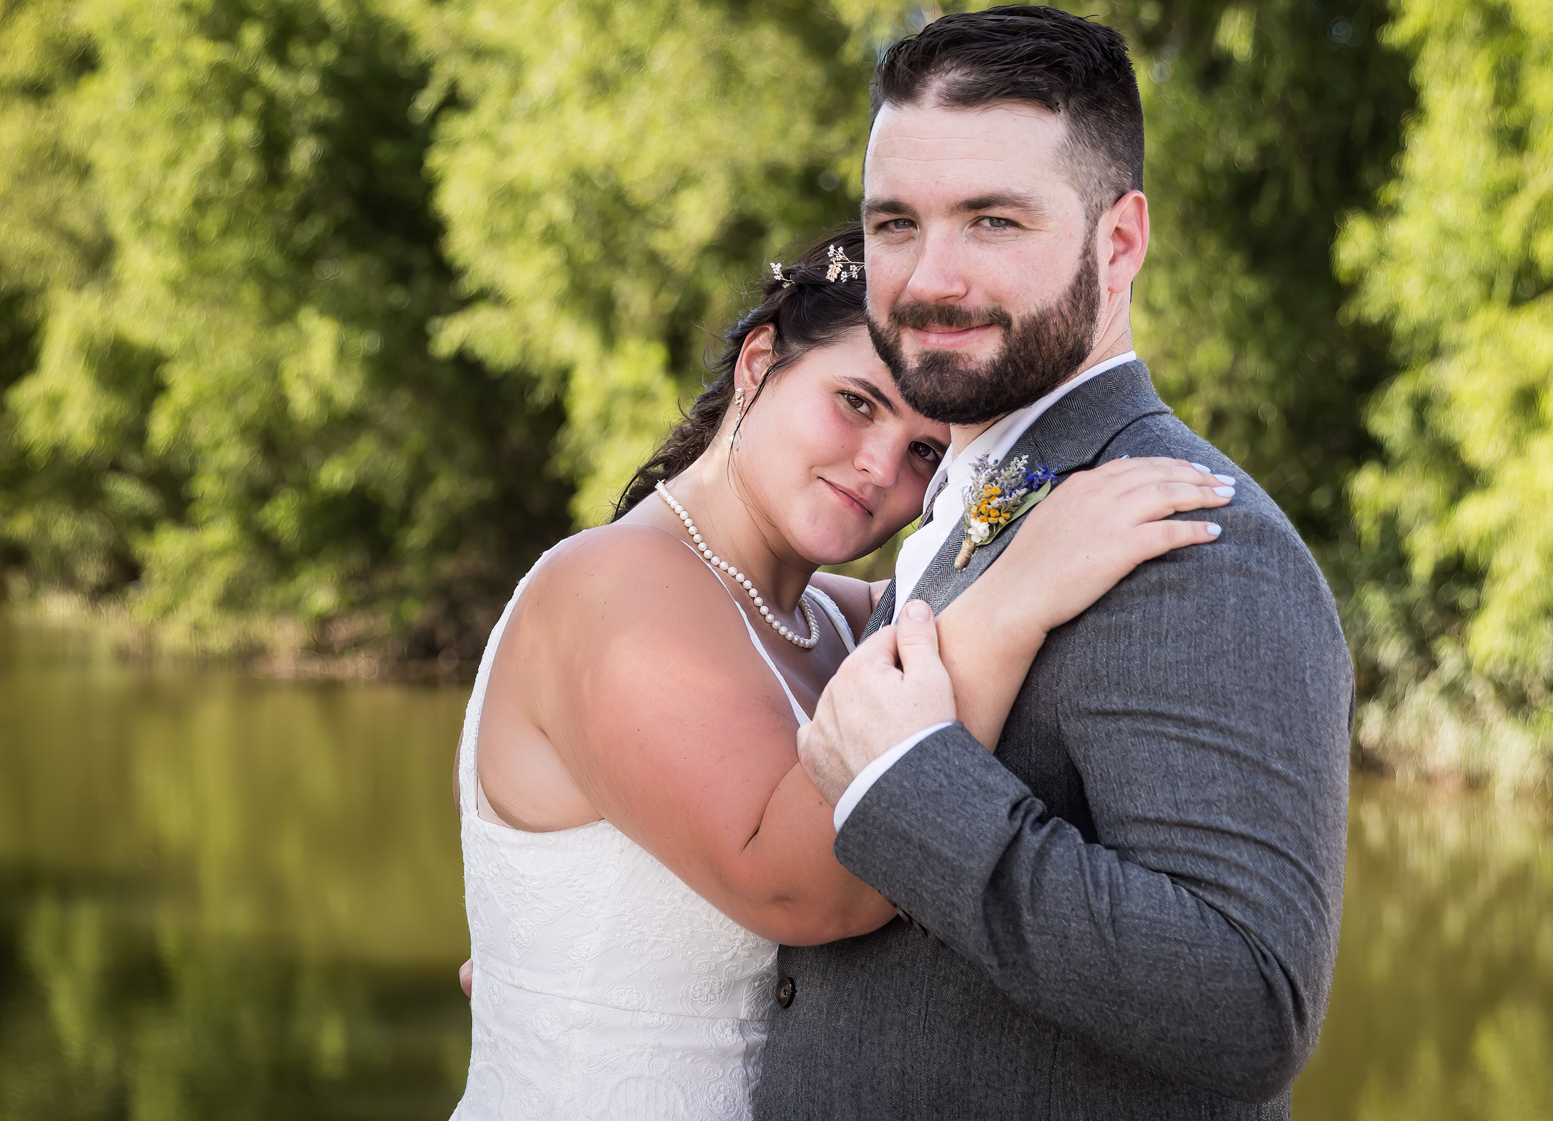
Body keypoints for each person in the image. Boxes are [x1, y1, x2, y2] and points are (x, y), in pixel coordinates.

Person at [448, 224, 1233, 1119]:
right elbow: (803, 886)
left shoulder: (844, 619)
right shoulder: (609, 589)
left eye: (925, 452)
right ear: (758, 365)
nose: (878, 465)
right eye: (857, 403)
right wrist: (1023, 592)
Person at [756, 6, 1354, 1119]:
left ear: (1118, 242)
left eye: (992, 221)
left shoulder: (1199, 547)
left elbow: (1249, 1006)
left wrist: (907, 790)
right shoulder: (973, 493)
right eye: (896, 224)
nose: (931, 276)